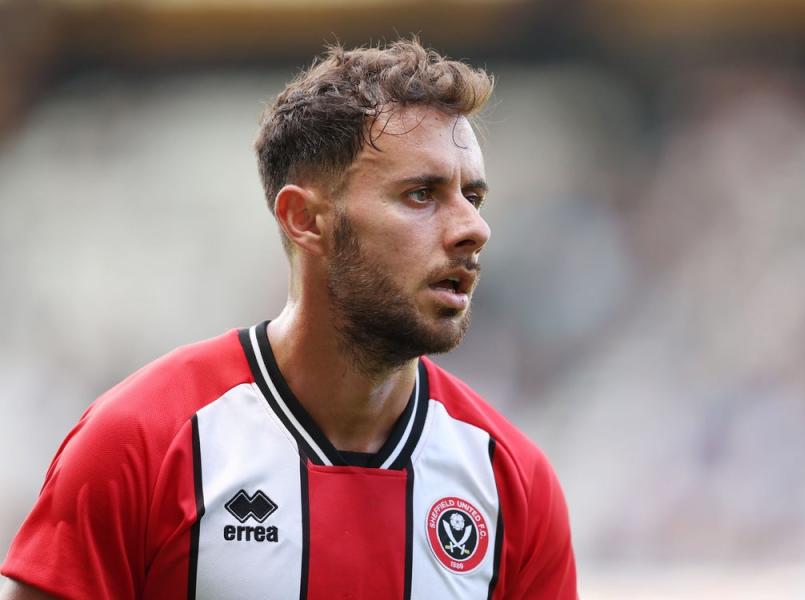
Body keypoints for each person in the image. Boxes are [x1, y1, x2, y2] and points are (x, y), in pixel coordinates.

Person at [0, 39, 577, 599]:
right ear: (305, 219)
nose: (473, 228)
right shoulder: (140, 445)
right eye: (421, 195)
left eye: (471, 197)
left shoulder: (512, 482)